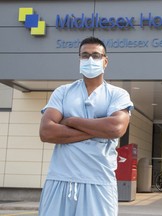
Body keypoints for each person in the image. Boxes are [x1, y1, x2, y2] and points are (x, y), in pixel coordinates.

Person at [38, 36, 133, 216]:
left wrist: (71, 121)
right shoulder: (63, 92)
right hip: (60, 180)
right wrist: (98, 129)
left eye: (96, 56)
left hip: (99, 182)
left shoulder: (117, 95)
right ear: (79, 59)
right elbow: (46, 132)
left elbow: (116, 129)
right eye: (85, 55)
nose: (90, 60)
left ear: (105, 61)